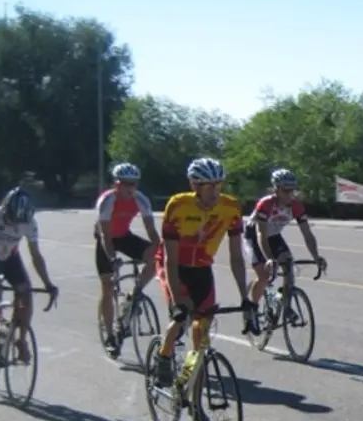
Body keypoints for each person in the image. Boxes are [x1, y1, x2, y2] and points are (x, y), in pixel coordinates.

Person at [151, 158, 254, 388]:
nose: (215, 192)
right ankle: (164, 356)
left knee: (201, 332)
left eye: (219, 185)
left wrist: (245, 297)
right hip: (175, 266)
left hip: (202, 269)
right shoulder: (177, 206)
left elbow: (236, 257)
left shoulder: (231, 207)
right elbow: (170, 257)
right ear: (194, 186)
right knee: (182, 316)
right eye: (209, 186)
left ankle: (190, 387)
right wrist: (178, 300)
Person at [0, 187, 59, 375]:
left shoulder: (30, 223)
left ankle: (21, 340)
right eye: (11, 220)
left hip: (11, 260)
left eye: (19, 223)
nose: (14, 226)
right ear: (4, 210)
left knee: (26, 294)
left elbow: (36, 256)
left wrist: (48, 283)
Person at [244, 168, 326, 330]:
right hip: (254, 236)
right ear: (276, 189)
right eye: (285, 190)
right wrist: (269, 258)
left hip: (273, 236)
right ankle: (251, 310)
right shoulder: (266, 204)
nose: (289, 194)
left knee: (288, 265)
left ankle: (286, 306)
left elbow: (307, 234)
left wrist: (316, 256)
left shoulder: (296, 206)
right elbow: (261, 233)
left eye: (292, 190)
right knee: (264, 275)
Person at [95, 162, 159, 356]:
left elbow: (151, 231)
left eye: (134, 184)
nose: (131, 188)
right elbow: (105, 236)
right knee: (107, 284)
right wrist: (112, 258)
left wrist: (159, 249)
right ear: (117, 184)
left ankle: (134, 295)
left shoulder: (141, 200)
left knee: (156, 257)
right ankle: (109, 335)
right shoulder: (107, 201)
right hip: (106, 238)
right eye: (126, 184)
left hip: (124, 236)